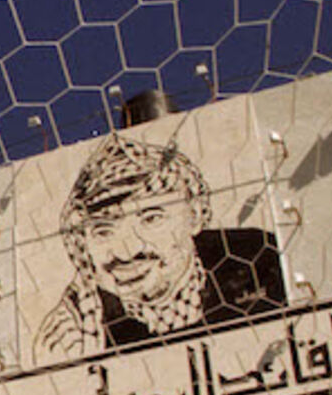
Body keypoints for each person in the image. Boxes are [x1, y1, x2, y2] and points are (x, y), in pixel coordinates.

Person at [34, 134, 286, 366]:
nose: (127, 251)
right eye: (104, 231)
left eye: (151, 219)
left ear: (195, 214)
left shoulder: (260, 259)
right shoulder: (79, 328)